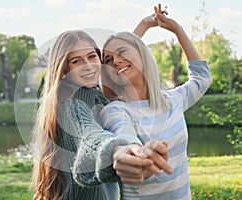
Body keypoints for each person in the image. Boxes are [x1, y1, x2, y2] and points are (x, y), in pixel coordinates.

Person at [31, 10, 172, 200]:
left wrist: (143, 26)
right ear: (64, 70)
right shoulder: (70, 104)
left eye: (92, 56)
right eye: (76, 61)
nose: (88, 66)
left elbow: (120, 60)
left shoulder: (98, 95)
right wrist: (118, 151)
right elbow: (90, 136)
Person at [100, 4, 212, 200]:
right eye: (108, 60)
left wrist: (178, 30)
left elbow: (201, 78)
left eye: (121, 53)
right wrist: (134, 153)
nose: (115, 62)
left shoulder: (172, 100)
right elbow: (124, 138)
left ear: (142, 52)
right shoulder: (116, 110)